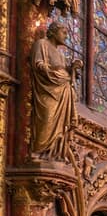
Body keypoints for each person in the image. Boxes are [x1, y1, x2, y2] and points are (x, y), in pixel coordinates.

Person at [30, 21, 82, 162]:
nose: (66, 36)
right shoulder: (41, 44)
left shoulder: (60, 55)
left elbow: (64, 71)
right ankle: (39, 151)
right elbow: (38, 64)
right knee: (47, 117)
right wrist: (55, 73)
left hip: (63, 92)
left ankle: (54, 154)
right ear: (53, 31)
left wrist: (72, 69)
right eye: (64, 32)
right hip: (48, 90)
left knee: (60, 127)